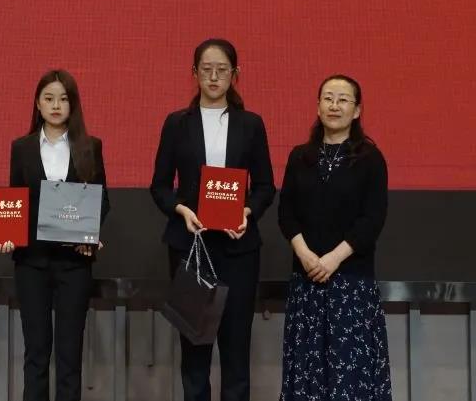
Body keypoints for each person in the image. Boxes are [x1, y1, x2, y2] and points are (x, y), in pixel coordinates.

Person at [149, 38, 275, 401]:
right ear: (194, 74)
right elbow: (160, 186)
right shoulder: (177, 123)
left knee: (236, 349)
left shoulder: (251, 124)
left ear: (236, 74)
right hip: (191, 247)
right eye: (206, 70)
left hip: (239, 249)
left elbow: (265, 186)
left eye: (222, 70)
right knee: (195, 350)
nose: (214, 77)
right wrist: (181, 210)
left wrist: (247, 211)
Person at [0, 69, 110, 401]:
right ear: (37, 103)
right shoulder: (22, 148)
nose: (56, 105)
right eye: (49, 98)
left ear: (73, 104)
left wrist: (90, 234)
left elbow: (102, 200)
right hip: (31, 262)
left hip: (75, 263)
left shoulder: (90, 147)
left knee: (70, 355)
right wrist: (8, 234)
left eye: (63, 99)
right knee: (36, 353)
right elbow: (15, 200)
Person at [277, 74, 392, 400]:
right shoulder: (300, 156)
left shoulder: (370, 159)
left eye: (343, 100)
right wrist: (304, 254)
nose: (334, 106)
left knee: (349, 377)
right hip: (307, 282)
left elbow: (372, 220)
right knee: (307, 375)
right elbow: (286, 214)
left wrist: (333, 259)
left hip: (351, 285)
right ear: (318, 106)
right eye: (328, 98)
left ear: (357, 110)